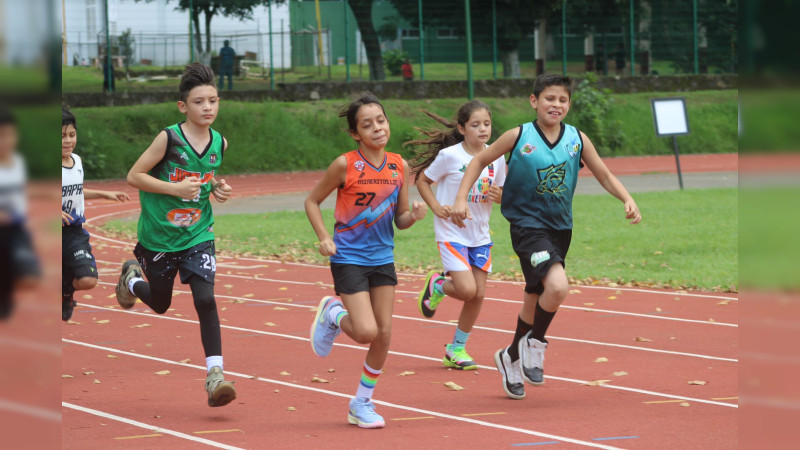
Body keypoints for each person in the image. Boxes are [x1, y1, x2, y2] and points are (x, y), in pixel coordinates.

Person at [451, 74, 641, 400]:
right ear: (534, 101)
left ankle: (511, 356)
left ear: (569, 105)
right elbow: (479, 160)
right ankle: (535, 345)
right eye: (549, 98)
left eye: (562, 100)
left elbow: (604, 173)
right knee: (558, 286)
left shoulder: (576, 139)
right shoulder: (519, 135)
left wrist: (626, 197)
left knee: (534, 298)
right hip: (527, 228)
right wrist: (459, 199)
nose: (556, 105)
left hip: (560, 229)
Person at [114, 63, 236, 407]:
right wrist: (174, 188)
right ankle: (131, 280)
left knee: (206, 298)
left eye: (213, 100)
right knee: (162, 303)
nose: (208, 107)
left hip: (198, 233)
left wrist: (218, 188)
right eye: (199, 102)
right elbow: (134, 176)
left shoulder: (219, 142)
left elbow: (206, 177)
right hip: (159, 236)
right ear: (183, 106)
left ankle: (216, 376)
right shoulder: (168, 138)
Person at [305, 91, 426, 428]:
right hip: (348, 257)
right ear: (356, 134)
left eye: (381, 121)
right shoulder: (345, 164)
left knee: (384, 334)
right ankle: (333, 313)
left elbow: (400, 219)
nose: (377, 128)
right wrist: (324, 238)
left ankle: (362, 402)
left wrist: (414, 215)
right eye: (367, 125)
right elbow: (312, 201)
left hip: (382, 257)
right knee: (366, 331)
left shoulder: (399, 165)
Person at [407, 100, 506, 370]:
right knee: (465, 289)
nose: (483, 129)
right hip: (452, 232)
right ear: (462, 128)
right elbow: (423, 181)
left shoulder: (497, 156)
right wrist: (437, 208)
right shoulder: (450, 156)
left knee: (478, 295)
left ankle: (456, 349)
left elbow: (502, 192)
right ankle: (438, 285)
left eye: (487, 124)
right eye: (475, 125)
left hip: (480, 235)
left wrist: (500, 196)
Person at [62, 107, 130, 321]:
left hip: (74, 233)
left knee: (88, 280)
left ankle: (65, 292)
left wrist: (104, 193)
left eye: (72, 135)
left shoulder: (77, 161)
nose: (68, 140)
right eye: (62, 136)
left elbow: (77, 190)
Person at [0, 108, 40, 320]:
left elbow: (19, 191)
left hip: (16, 229)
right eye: (1, 136)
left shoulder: (17, 162)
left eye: (10, 134)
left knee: (29, 277)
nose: (6, 140)